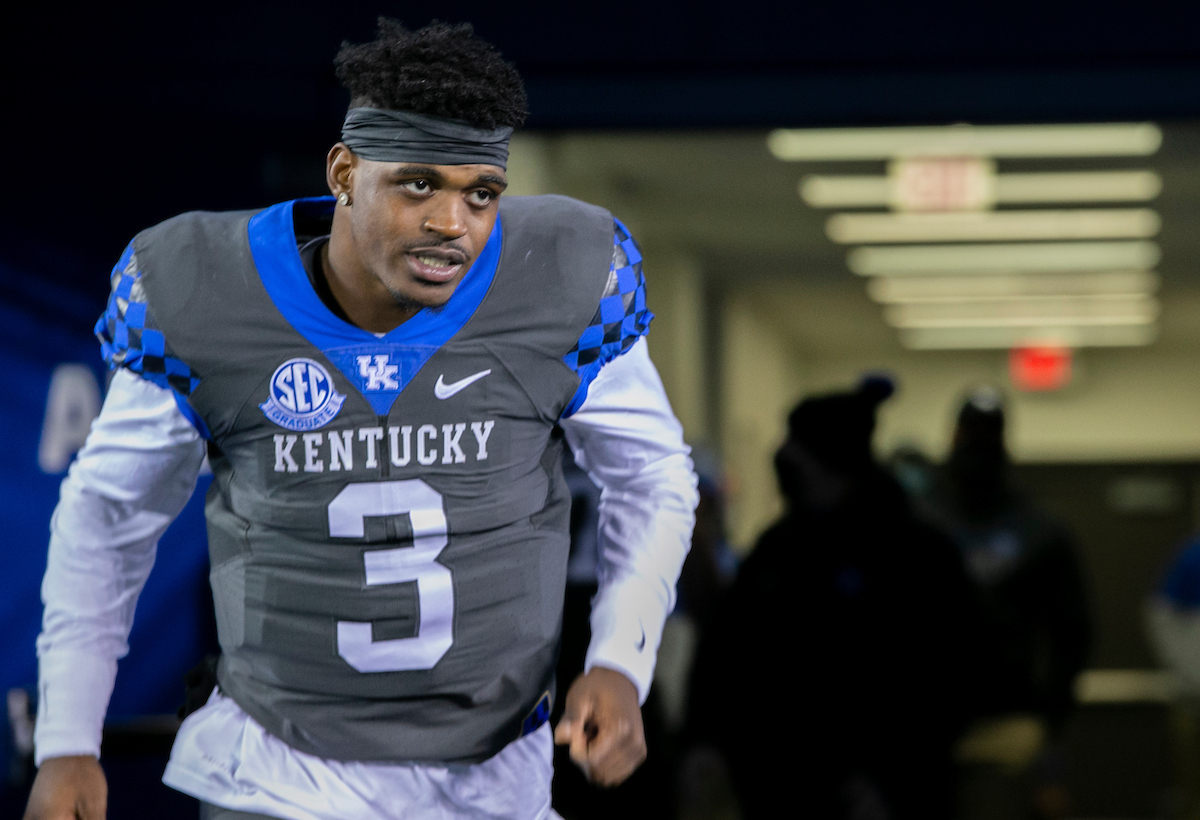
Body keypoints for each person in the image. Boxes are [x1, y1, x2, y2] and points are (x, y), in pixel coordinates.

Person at [25, 20, 697, 820]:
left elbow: (653, 476)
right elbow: (109, 514)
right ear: (344, 172)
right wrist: (67, 740)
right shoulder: (203, 289)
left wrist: (622, 660)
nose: (454, 222)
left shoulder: (563, 273)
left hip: (493, 780)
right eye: (418, 184)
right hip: (276, 774)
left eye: (481, 193)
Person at [688, 377, 978, 819]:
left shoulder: (916, 555)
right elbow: (727, 654)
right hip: (782, 790)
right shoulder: (779, 550)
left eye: (798, 450)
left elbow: (947, 677)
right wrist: (705, 742)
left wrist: (891, 780)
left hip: (890, 795)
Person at [931, 388, 1089, 819]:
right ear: (953, 436)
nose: (977, 447)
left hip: (1007, 728)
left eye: (988, 435)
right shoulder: (920, 521)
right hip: (922, 732)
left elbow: (1072, 631)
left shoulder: (1039, 529)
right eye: (970, 434)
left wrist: (1046, 721)